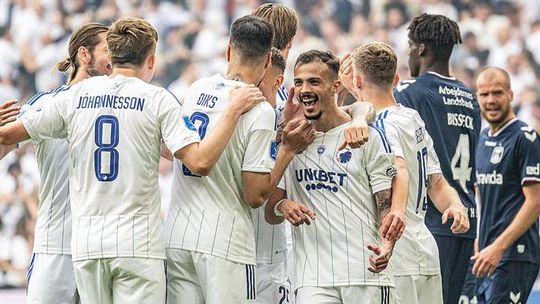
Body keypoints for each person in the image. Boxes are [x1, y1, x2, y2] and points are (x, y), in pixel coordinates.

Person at [0, 17, 264, 303]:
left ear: (112, 57)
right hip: (136, 245)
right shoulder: (157, 99)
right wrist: (231, 111)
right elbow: (198, 162)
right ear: (151, 61)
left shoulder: (73, 97)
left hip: (88, 245)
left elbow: (6, 135)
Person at [163, 15, 315, 304]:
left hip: (177, 234)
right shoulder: (258, 109)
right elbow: (256, 195)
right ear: (269, 62)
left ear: (229, 51)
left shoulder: (196, 89)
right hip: (225, 241)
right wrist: (287, 150)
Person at [265, 50, 398, 304]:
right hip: (312, 279)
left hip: (364, 273)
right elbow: (270, 211)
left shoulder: (364, 135)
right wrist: (284, 205)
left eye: (314, 81)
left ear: (336, 86)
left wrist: (387, 245)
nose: (305, 89)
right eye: (300, 82)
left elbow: (385, 204)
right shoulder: (291, 141)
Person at [347, 41, 470, 304]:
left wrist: (395, 216)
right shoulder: (412, 118)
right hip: (425, 246)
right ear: (396, 79)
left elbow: (398, 168)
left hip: (392, 251)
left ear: (357, 80)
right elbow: (436, 182)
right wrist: (457, 205)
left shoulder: (375, 126)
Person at [0, 23, 111, 304]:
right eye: (108, 51)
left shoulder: (121, 104)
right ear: (84, 55)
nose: (114, 60)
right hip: (56, 243)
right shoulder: (46, 103)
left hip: (104, 246)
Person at [393, 13, 481, 304]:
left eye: (409, 45)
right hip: (465, 220)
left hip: (431, 220)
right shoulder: (470, 97)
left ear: (421, 48)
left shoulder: (410, 92)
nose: (407, 53)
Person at [472, 67, 540, 304]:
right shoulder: (480, 139)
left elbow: (536, 201)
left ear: (510, 94)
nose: (491, 100)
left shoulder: (525, 137)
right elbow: (483, 195)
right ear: (477, 97)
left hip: (515, 254)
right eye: (484, 94)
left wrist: (499, 247)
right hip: (487, 255)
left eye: (497, 93)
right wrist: (480, 238)